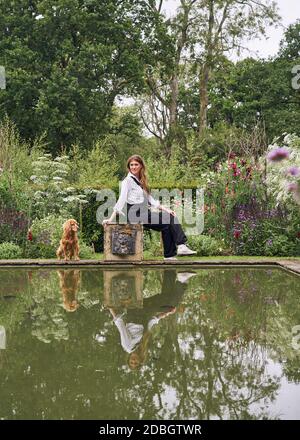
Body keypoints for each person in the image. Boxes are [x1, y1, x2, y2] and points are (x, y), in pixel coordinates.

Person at [102, 154, 196, 260]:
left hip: (144, 212)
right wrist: (111, 219)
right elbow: (121, 200)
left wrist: (166, 209)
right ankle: (181, 245)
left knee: (166, 223)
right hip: (135, 214)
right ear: (129, 167)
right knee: (169, 218)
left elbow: (151, 200)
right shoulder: (127, 181)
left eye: (136, 164)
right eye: (131, 165)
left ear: (141, 166)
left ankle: (169, 256)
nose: (133, 167)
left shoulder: (141, 181)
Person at [108, 269, 196, 369]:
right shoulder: (142, 347)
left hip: (136, 311)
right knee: (168, 304)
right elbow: (149, 324)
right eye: (135, 363)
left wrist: (110, 308)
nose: (133, 361)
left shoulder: (128, 346)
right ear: (140, 360)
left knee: (168, 303)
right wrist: (165, 314)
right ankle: (171, 270)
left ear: (128, 359)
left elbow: (120, 325)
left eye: (131, 362)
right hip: (144, 314)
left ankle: (181, 280)